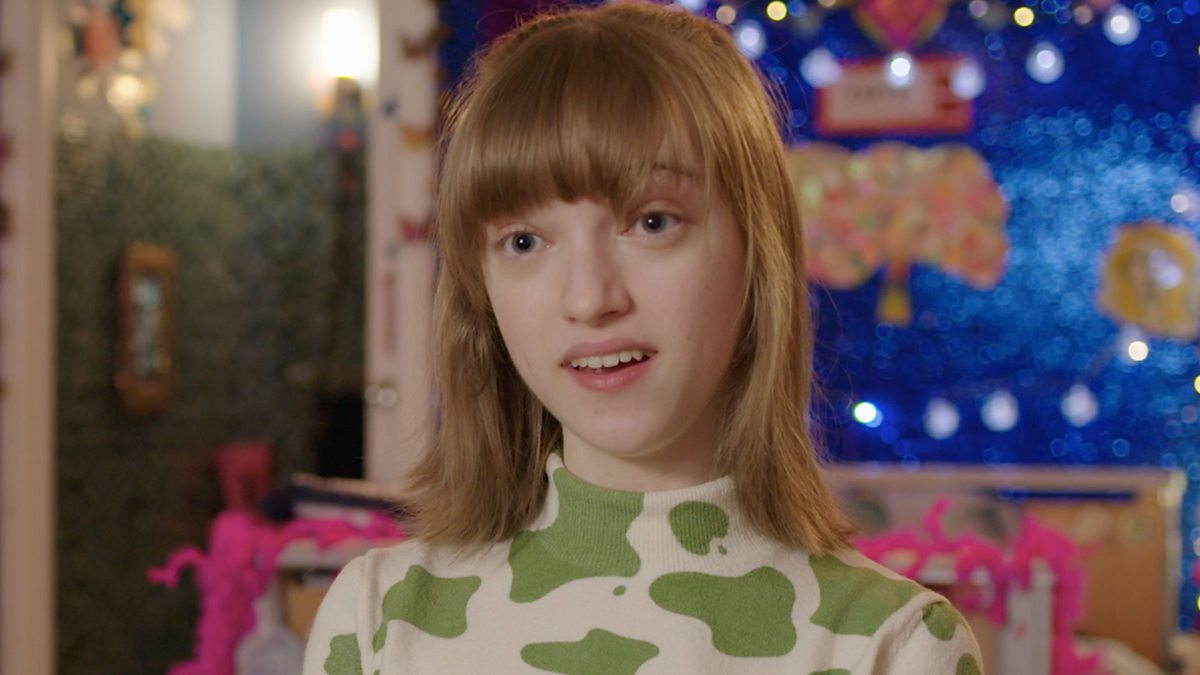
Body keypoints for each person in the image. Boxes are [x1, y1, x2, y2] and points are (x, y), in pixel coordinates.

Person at [304, 3, 982, 673]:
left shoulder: (892, 646)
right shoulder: (379, 621)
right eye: (524, 241)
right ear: (480, 290)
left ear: (757, 252)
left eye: (652, 223)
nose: (589, 298)